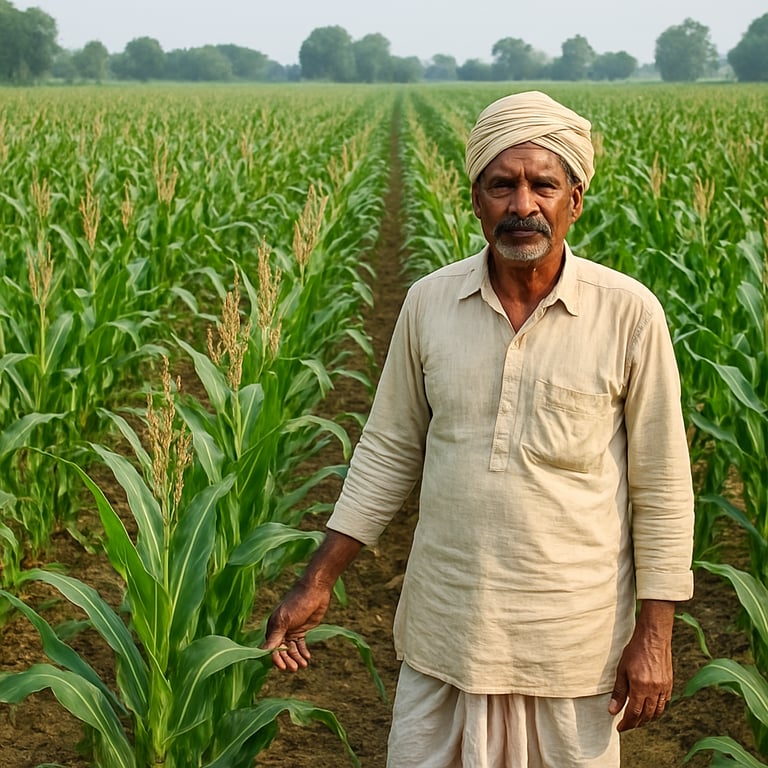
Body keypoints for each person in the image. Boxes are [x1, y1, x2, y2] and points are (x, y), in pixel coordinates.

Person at [263, 91, 694, 768]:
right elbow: (387, 450)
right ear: (475, 202)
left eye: (542, 185)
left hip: (570, 645)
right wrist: (317, 580)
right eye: (502, 185)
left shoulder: (628, 314)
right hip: (447, 632)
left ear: (574, 200)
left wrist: (656, 636)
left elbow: (664, 486)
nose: (523, 205)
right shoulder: (430, 303)